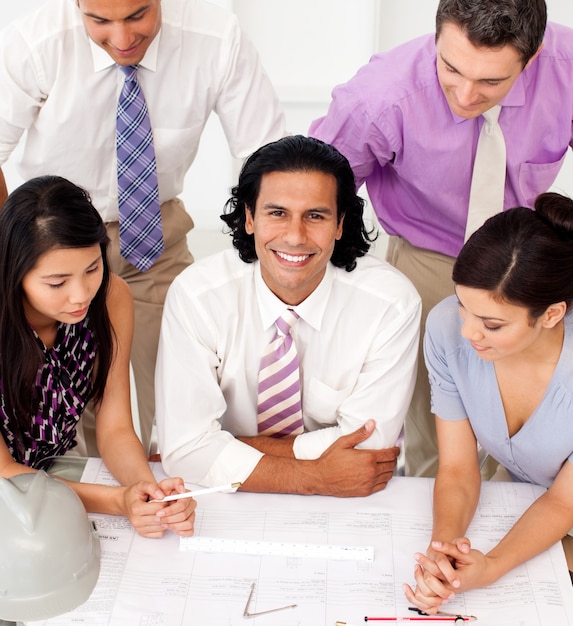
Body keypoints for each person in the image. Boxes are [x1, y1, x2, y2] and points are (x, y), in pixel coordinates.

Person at [0, 0, 285, 454]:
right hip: (51, 243)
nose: (121, 38)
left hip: (153, 240)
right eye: (99, 21)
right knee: (46, 418)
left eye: (136, 16)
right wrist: (11, 250)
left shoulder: (215, 40)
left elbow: (271, 158)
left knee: (159, 408)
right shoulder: (35, 46)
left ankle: (129, 507)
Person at [308, 0, 573, 478]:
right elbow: (315, 193)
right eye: (451, 68)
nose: (466, 94)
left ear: (531, 57)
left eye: (491, 81)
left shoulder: (567, 68)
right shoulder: (380, 97)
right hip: (429, 260)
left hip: (527, 256)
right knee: (438, 431)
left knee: (536, 434)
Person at [155, 135, 421, 496]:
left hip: (349, 500)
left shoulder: (390, 303)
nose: (295, 237)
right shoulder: (198, 296)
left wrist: (223, 446)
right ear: (249, 218)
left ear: (341, 224)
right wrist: (313, 476)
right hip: (233, 498)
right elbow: (185, 451)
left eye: (315, 215)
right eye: (277, 213)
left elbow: (369, 450)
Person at [403, 192, 573, 610]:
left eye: (492, 324)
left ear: (551, 315)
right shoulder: (445, 328)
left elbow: (564, 501)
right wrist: (442, 553)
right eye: (464, 306)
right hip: (528, 495)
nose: (468, 333)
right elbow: (459, 469)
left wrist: (491, 566)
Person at [0, 175, 195, 538]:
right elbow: (5, 473)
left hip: (47, 480)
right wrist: (119, 501)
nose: (80, 295)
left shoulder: (110, 298)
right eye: (57, 282)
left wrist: (146, 490)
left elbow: (115, 427)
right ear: (14, 274)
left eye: (92, 268)